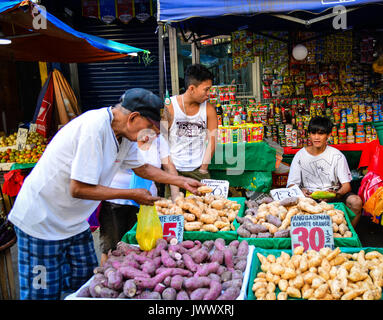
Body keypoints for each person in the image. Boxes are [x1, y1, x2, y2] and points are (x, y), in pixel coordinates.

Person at [8, 88, 202, 300]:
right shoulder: (94, 128)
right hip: (41, 222)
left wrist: (181, 180)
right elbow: (78, 188)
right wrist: (132, 193)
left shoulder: (124, 137)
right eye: (149, 128)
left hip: (74, 224)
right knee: (42, 293)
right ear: (133, 118)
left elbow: (143, 168)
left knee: (88, 287)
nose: (152, 135)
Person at [98, 133, 180, 266]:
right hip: (116, 200)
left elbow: (169, 167)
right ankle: (105, 278)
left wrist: (176, 199)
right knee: (111, 249)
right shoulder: (120, 137)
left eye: (155, 129)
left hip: (146, 203)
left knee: (144, 248)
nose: (152, 133)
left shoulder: (159, 140)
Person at [286, 116, 363, 227]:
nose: (316, 137)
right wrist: (300, 192)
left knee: (355, 201)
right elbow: (291, 184)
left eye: (321, 133)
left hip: (333, 195)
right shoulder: (300, 155)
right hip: (307, 198)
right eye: (313, 133)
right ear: (309, 134)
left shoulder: (337, 155)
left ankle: (349, 236)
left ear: (328, 135)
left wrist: (335, 194)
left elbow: (347, 186)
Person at [162, 64, 218, 197]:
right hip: (174, 170)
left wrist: (203, 169)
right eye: (206, 90)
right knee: (174, 211)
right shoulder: (170, 107)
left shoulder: (209, 109)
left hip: (198, 170)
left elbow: (212, 140)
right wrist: (171, 172)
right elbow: (161, 141)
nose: (209, 94)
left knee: (205, 211)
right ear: (192, 88)